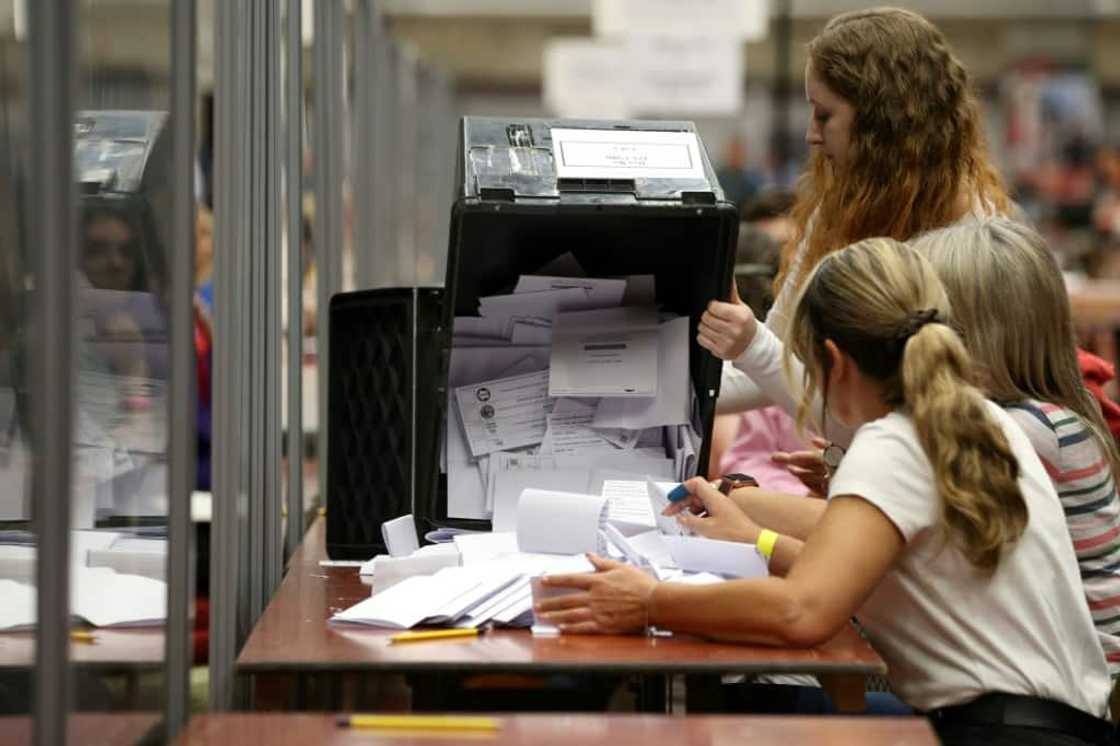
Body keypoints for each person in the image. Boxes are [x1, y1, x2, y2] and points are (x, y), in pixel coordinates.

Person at [539, 238, 1112, 745]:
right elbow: (865, 553)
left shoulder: (892, 444)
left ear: (833, 362)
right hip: (1066, 726)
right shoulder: (982, 421)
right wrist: (750, 527)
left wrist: (648, 601)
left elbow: (802, 612)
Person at [712, 7, 1009, 452]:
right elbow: (777, 357)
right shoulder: (836, 209)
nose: (812, 135)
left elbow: (866, 419)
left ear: (882, 121)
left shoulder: (972, 238)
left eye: (824, 115)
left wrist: (750, 345)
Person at [909, 218, 1120, 681]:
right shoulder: (1052, 416)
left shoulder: (1025, 431)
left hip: (1073, 691)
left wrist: (759, 534)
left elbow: (904, 537)